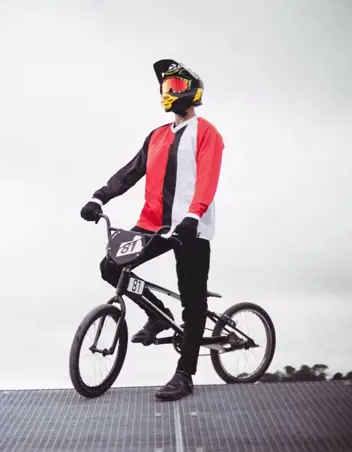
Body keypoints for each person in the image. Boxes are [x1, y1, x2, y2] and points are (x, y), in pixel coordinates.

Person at [79, 59, 224, 401]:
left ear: (192, 91)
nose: (169, 93)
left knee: (193, 301)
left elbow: (207, 178)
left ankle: (185, 374)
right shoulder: (157, 136)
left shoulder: (206, 133)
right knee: (110, 267)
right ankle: (158, 315)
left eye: (175, 87)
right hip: (151, 224)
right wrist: (99, 198)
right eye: (165, 88)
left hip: (192, 228)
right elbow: (130, 172)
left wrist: (193, 215)